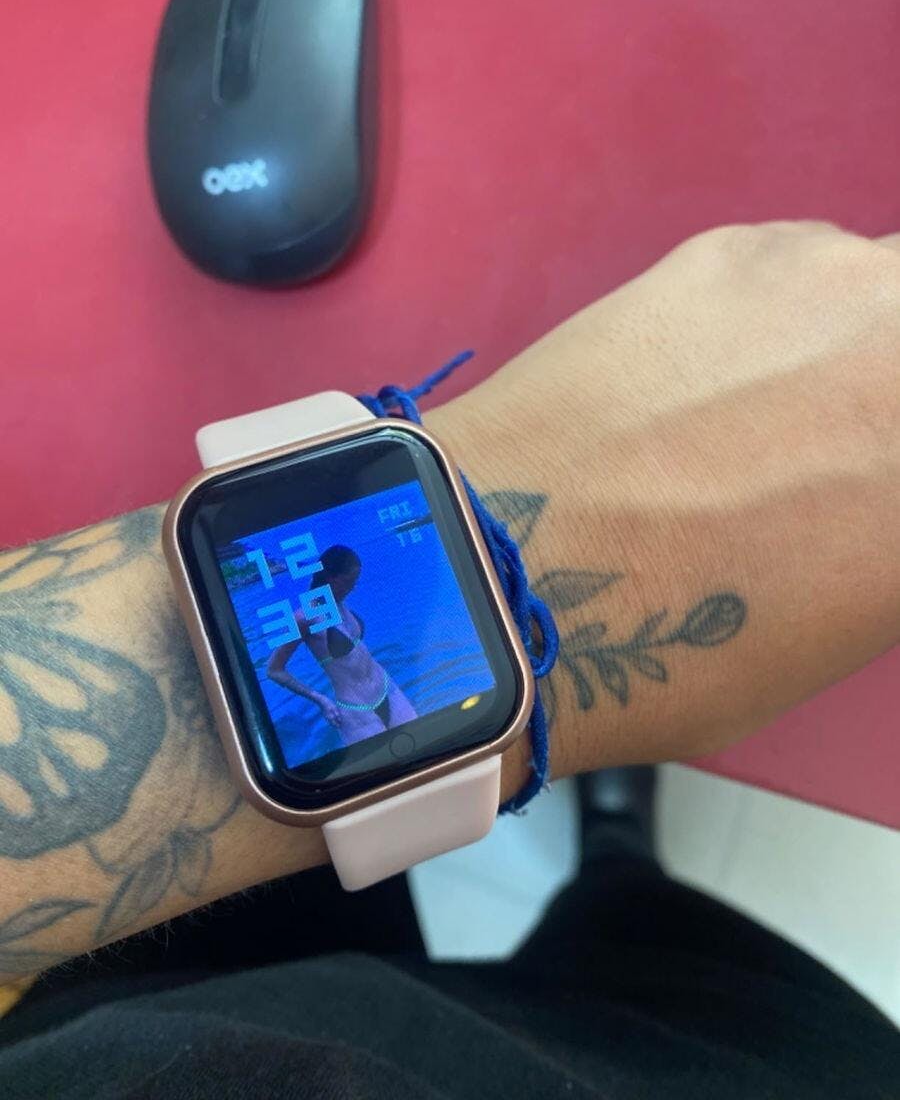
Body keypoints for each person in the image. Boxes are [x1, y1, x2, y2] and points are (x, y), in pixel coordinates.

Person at [0, 222, 897, 1098]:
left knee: (344, 914)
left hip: (203, 964)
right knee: (743, 1013)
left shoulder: (333, 607)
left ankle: (615, 857)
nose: (348, 586)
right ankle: (619, 864)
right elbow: (274, 658)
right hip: (350, 763)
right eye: (343, 580)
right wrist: (315, 695)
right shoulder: (311, 621)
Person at [266, 544, 418, 746]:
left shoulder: (338, 602)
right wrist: (321, 700)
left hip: (387, 689)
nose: (352, 588)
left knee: (425, 745)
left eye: (355, 582)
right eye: (348, 582)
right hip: (357, 710)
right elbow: (274, 670)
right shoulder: (303, 618)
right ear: (331, 578)